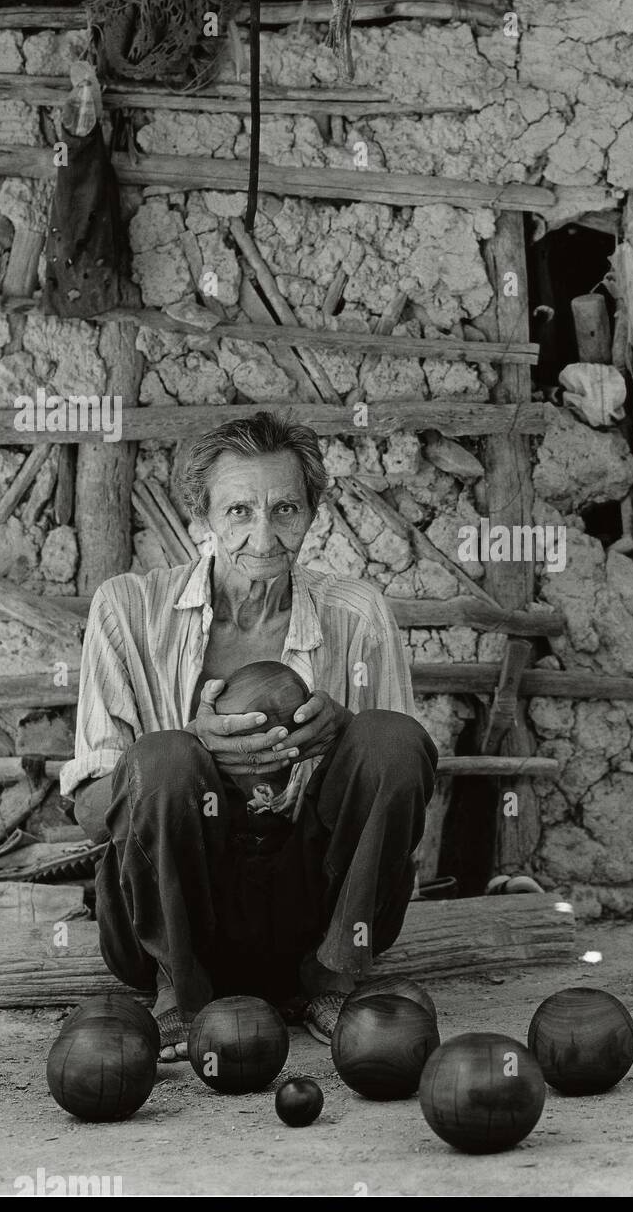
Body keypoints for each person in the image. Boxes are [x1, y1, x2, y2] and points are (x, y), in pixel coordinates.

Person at [62, 412, 438, 1058]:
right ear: (199, 518)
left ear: (312, 513)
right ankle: (182, 997)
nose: (264, 536)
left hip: (310, 916)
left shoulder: (356, 612)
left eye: (285, 508)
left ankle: (331, 982)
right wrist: (192, 755)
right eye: (238, 511)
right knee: (166, 757)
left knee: (392, 739)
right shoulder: (127, 607)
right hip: (174, 917)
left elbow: (402, 790)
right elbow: (93, 813)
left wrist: (343, 737)